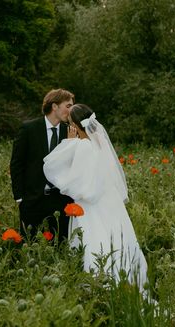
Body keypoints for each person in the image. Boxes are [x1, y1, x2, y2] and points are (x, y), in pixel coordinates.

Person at [43, 104, 148, 290]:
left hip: (89, 206)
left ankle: (99, 284)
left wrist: (69, 142)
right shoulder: (100, 144)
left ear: (75, 125)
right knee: (114, 237)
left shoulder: (81, 146)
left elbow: (51, 165)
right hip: (109, 203)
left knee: (94, 239)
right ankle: (127, 278)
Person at [10, 88, 74, 243]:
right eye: (68, 106)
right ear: (54, 106)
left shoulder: (70, 132)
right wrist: (19, 197)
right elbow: (17, 164)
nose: (71, 110)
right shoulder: (29, 129)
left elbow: (73, 165)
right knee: (27, 242)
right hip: (32, 198)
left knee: (60, 244)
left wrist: (72, 144)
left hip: (60, 200)